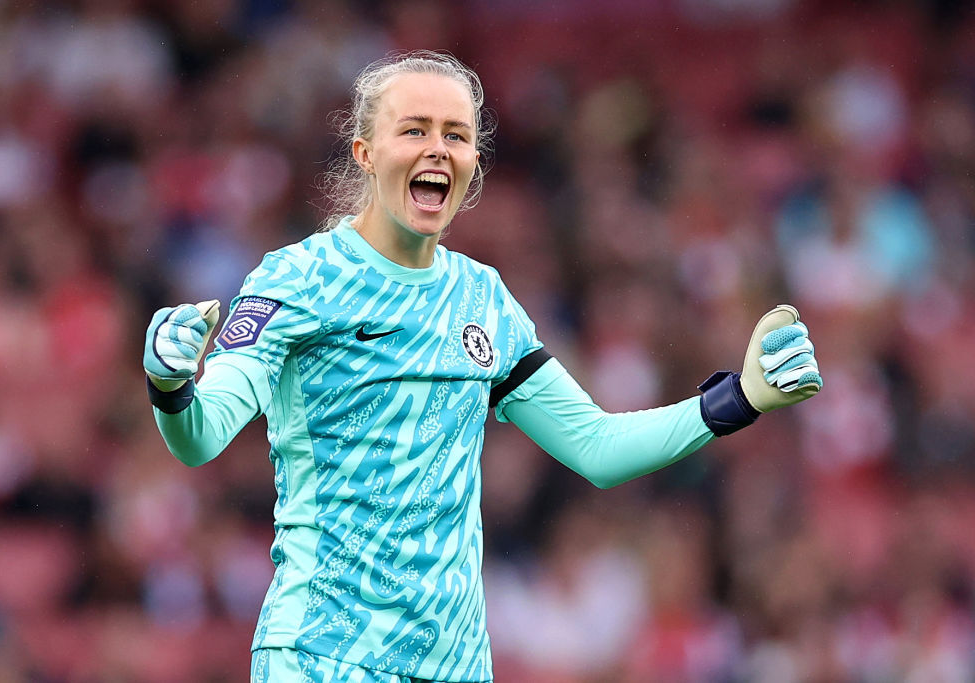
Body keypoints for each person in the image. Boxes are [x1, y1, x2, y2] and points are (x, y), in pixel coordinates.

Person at [142, 51, 822, 683]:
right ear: (366, 152)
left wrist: (741, 399)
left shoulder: (483, 299)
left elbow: (596, 447)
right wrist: (170, 384)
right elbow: (201, 438)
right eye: (414, 130)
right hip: (325, 654)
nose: (438, 148)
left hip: (456, 663)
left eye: (456, 134)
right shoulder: (297, 280)